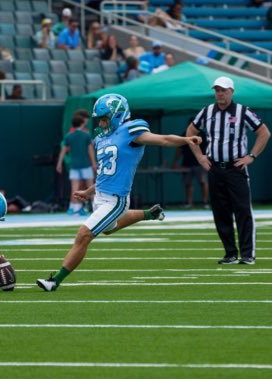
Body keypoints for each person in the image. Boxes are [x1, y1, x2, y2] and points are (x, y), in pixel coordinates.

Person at [36, 93, 202, 291]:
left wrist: (185, 139)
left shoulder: (131, 130)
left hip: (116, 200)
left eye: (105, 118)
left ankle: (55, 280)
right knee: (109, 228)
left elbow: (163, 139)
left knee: (84, 234)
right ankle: (150, 213)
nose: (102, 122)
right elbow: (106, 173)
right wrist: (89, 191)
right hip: (100, 195)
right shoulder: (100, 139)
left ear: (117, 115)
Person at [186, 76, 271, 265]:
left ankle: (248, 254)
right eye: (217, 90)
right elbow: (190, 132)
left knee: (242, 211)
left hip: (236, 168)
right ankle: (230, 253)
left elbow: (264, 132)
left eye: (223, 90)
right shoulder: (207, 111)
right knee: (220, 212)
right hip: (215, 168)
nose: (220, 93)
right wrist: (200, 156)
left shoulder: (243, 111)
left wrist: (252, 156)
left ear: (231, 91)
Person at [56, 114, 96, 216]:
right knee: (91, 187)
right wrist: (94, 164)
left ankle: (75, 208)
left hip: (74, 166)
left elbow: (63, 150)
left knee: (75, 188)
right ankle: (96, 208)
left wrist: (59, 164)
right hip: (86, 165)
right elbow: (90, 150)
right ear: (82, 123)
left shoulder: (69, 136)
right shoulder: (86, 135)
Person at [173, 119, 208, 209]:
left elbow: (209, 149)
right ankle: (189, 202)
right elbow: (179, 149)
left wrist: (206, 161)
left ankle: (205, 202)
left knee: (203, 182)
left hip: (200, 164)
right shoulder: (185, 134)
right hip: (187, 163)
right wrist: (175, 162)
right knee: (188, 183)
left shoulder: (203, 135)